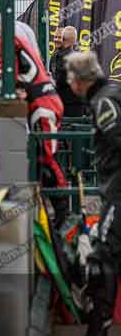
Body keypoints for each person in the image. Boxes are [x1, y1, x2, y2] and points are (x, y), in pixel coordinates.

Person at [0, 7, 67, 226]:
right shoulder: (13, 37)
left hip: (43, 103)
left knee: (46, 156)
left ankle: (62, 211)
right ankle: (50, 209)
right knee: (40, 156)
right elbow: (14, 77)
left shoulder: (3, 41)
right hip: (42, 100)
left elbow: (5, 78)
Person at [65, 51, 121, 336]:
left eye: (69, 77)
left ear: (77, 81)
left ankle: (100, 325)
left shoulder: (104, 103)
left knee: (102, 256)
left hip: (118, 190)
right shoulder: (112, 90)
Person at [49, 26, 84, 118]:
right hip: (63, 104)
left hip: (71, 106)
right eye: (55, 37)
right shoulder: (55, 56)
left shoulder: (73, 58)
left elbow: (59, 80)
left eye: (59, 37)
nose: (56, 39)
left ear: (64, 39)